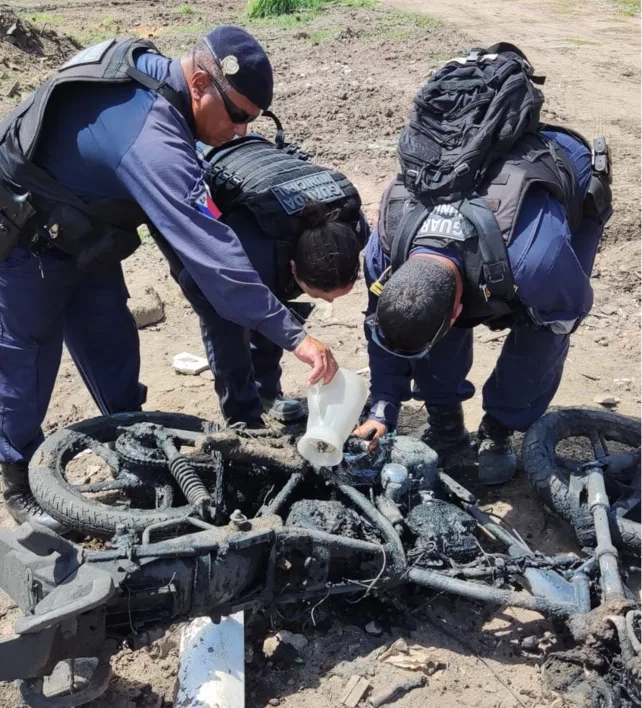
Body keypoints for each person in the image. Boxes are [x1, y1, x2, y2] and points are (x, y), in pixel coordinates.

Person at [0, 27, 340, 530]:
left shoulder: (161, 86)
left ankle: (135, 450)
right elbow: (209, 247)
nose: (242, 131)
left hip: (85, 234)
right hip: (23, 240)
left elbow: (185, 234)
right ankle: (19, 481)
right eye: (239, 116)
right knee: (24, 366)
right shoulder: (150, 134)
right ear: (200, 82)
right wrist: (296, 337)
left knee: (112, 345)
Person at [353, 46, 612, 486]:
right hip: (465, 183)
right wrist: (384, 403)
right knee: (424, 322)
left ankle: (500, 426)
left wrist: (507, 411)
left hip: (563, 175)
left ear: (458, 311)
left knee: (546, 325)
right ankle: (445, 419)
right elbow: (382, 323)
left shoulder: (537, 263)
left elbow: (569, 307)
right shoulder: (384, 251)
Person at [165, 131, 367, 428]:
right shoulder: (246, 256)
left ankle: (266, 394)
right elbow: (200, 287)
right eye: (321, 295)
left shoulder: (354, 228)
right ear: (294, 268)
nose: (327, 302)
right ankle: (244, 420)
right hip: (194, 177)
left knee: (272, 308)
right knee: (231, 330)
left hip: (258, 169)